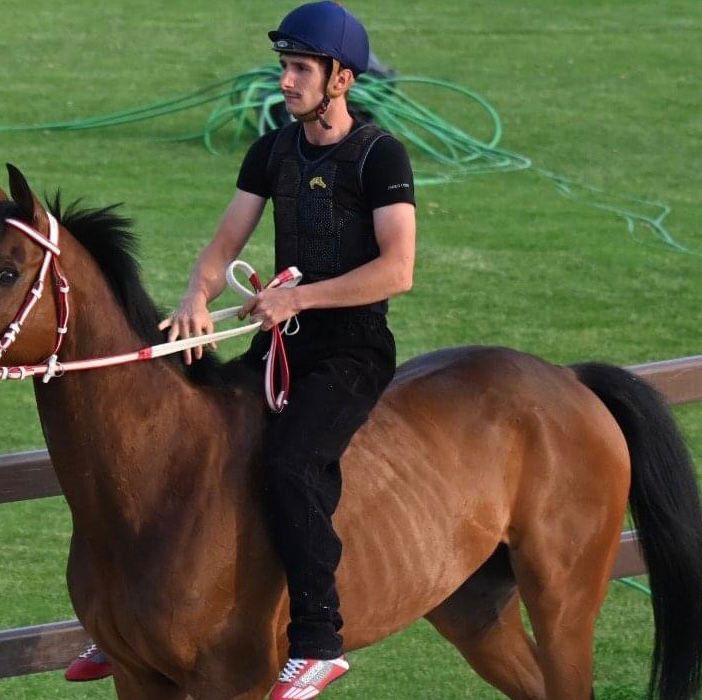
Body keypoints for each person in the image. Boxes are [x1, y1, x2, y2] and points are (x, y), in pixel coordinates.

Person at [65, 3, 416, 697]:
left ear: (340, 80)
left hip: (349, 351)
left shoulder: (380, 156)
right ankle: (134, 615)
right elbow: (222, 247)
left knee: (290, 462)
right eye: (284, 67)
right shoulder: (274, 150)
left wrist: (299, 297)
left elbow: (397, 269)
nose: (285, 81)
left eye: (299, 70)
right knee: (190, 430)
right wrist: (195, 298)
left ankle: (318, 640)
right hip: (280, 341)